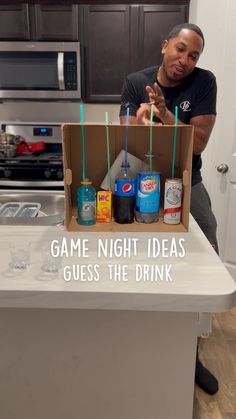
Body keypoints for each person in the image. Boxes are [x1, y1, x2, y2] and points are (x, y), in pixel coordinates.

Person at [119, 22, 219, 395]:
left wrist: (163, 114)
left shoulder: (204, 82)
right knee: (139, 266)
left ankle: (190, 355)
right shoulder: (135, 81)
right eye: (180, 49)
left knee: (204, 265)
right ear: (165, 46)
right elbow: (126, 137)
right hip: (144, 181)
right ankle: (142, 346)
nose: (185, 60)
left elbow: (197, 144)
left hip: (188, 185)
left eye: (193, 55)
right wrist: (142, 122)